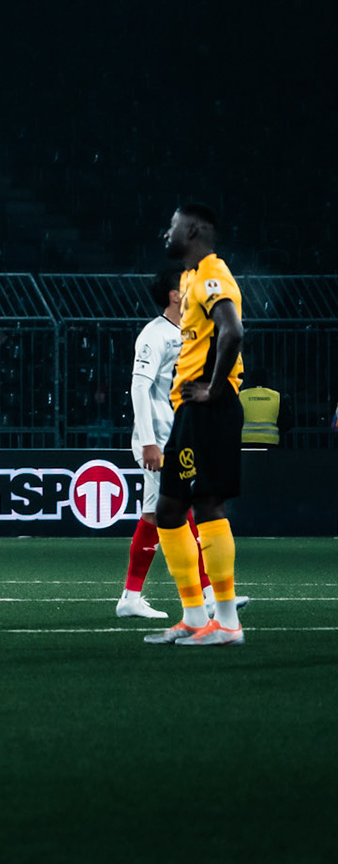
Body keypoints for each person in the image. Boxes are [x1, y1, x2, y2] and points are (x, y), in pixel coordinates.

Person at [144, 205, 248, 647]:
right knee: (169, 510)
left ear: (192, 230)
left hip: (210, 408)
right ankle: (193, 615)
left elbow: (233, 331)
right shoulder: (187, 278)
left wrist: (213, 387)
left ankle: (226, 624)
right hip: (189, 411)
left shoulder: (211, 273)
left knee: (206, 506)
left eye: (171, 226)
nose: (166, 232)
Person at [117, 267, 213, 620]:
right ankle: (207, 593)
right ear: (174, 295)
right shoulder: (153, 335)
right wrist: (147, 442)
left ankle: (130, 597)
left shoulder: (186, 333)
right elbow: (138, 387)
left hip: (175, 436)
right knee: (184, 511)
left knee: (154, 515)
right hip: (158, 441)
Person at [237, 368, 289, 446]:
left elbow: (232, 418)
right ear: (267, 380)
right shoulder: (277, 396)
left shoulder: (240, 396)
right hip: (271, 441)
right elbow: (287, 421)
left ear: (250, 380)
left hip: (245, 440)